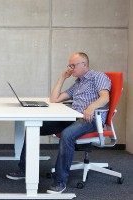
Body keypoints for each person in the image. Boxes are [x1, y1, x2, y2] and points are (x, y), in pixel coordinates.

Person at [6, 52, 111, 193]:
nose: (70, 68)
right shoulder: (78, 82)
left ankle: (60, 181)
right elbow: (54, 99)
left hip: (90, 119)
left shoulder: (98, 77)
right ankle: (25, 170)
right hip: (72, 117)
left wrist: (91, 107)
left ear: (84, 64)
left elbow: (105, 98)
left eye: (73, 65)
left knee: (67, 135)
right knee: (35, 127)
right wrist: (62, 77)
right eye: (69, 65)